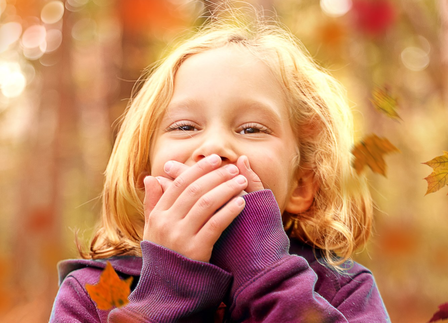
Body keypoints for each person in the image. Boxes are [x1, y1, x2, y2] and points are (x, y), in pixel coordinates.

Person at [50, 8, 390, 323]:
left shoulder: (343, 290)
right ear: (146, 183)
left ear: (301, 186)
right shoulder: (92, 294)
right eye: (185, 127)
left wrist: (265, 273)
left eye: (251, 129)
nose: (213, 147)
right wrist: (167, 291)